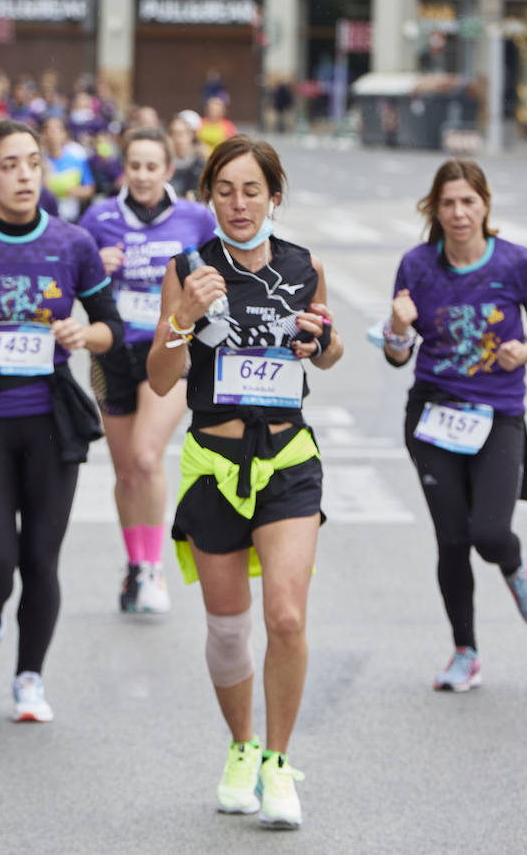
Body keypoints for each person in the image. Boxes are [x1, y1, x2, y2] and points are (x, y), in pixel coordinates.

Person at [147, 136, 342, 829]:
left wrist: (318, 342)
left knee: (286, 616)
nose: (238, 202)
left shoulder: (302, 265)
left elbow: (330, 349)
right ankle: (241, 746)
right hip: (213, 463)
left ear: (274, 197)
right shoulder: (188, 269)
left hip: (288, 460)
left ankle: (280, 765)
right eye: (225, 189)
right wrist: (183, 319)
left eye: (251, 189)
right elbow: (161, 378)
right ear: (209, 197)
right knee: (229, 632)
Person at [0, 120, 122, 724]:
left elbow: (110, 329)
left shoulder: (72, 244)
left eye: (33, 163)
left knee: (40, 559)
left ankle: (30, 677)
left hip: (49, 422)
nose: (25, 175)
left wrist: (82, 332)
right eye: (10, 165)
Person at [382, 158, 527, 692]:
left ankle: (515, 565)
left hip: (498, 414)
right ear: (435, 210)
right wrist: (396, 326)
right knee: (452, 538)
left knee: (488, 532)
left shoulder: (516, 263)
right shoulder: (416, 266)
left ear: (485, 205)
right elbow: (396, 356)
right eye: (448, 203)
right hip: (433, 414)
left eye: (469, 202)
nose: (459, 213)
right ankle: (465, 652)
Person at [79, 128, 217, 615]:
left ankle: (154, 567)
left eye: (151, 166)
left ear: (166, 169)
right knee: (124, 472)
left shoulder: (195, 219)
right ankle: (135, 564)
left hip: (172, 350)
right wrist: (95, 265)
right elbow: (70, 278)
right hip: (111, 351)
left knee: (144, 456)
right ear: (124, 169)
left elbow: (221, 276)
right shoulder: (98, 218)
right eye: (134, 166)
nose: (142, 175)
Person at [40, 115, 94, 222]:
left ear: (64, 134)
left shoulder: (76, 159)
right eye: (47, 129)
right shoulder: (39, 161)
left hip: (70, 218)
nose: (52, 134)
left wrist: (70, 191)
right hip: (44, 218)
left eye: (56, 129)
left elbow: (89, 189)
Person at [168, 113, 205, 200]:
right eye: (173, 134)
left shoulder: (200, 166)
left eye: (181, 134)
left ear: (191, 136)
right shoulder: (162, 167)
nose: (178, 139)